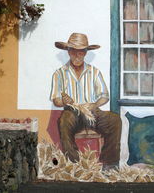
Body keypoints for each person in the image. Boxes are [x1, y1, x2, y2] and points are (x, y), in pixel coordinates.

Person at [50, 32, 121, 168]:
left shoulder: (94, 72)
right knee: (64, 121)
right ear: (68, 52)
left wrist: (94, 105)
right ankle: (74, 163)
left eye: (81, 52)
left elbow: (105, 96)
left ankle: (109, 163)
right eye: (73, 52)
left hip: (92, 111)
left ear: (85, 53)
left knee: (114, 120)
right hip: (72, 112)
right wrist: (64, 102)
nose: (77, 56)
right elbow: (56, 100)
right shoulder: (59, 74)